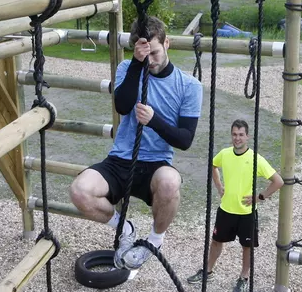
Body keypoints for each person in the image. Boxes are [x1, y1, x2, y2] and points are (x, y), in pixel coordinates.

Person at [69, 15, 203, 270]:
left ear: (167, 44)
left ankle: (154, 241)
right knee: (79, 191)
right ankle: (125, 227)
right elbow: (122, 106)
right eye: (145, 54)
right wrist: (135, 62)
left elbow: (185, 140)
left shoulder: (189, 85)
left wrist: (154, 121)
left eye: (154, 53)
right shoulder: (128, 69)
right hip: (121, 159)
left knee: (170, 182)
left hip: (156, 163)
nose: (150, 61)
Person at [187, 119, 284, 292]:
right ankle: (207, 271)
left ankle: (243, 278)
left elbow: (278, 181)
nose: (237, 138)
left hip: (246, 213)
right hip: (225, 210)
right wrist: (218, 185)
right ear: (231, 135)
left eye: (241, 135)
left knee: (247, 247)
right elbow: (213, 165)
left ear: (247, 136)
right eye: (234, 134)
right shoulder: (224, 154)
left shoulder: (256, 159)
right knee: (216, 241)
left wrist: (259, 197)